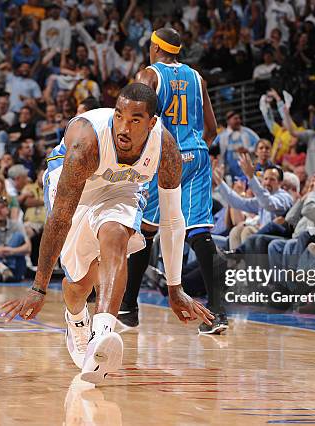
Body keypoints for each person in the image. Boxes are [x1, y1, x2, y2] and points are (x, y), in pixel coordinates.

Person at [0, 83, 212, 384]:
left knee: (116, 235)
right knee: (79, 282)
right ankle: (76, 320)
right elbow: (60, 218)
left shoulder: (165, 149)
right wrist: (38, 288)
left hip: (122, 188)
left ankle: (102, 334)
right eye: (119, 116)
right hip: (73, 185)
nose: (124, 128)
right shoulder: (87, 142)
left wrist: (175, 288)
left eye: (135, 120)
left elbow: (173, 220)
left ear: (152, 123)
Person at [118, 28, 223, 334]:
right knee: (200, 232)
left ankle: (129, 309)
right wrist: (192, 150)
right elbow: (212, 128)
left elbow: (134, 120)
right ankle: (219, 313)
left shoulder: (149, 75)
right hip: (198, 155)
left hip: (164, 157)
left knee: (144, 229)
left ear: (155, 48)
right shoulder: (197, 77)